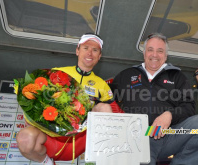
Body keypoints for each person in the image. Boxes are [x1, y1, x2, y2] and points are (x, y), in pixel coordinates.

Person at [110, 33, 198, 165]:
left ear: (166, 55)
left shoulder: (177, 76)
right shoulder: (127, 75)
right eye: (150, 50)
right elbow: (107, 98)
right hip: (139, 136)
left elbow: (189, 107)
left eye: (160, 51)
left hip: (170, 133)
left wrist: (169, 115)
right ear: (144, 52)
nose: (154, 55)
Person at [16, 33, 123, 164]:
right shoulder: (56, 73)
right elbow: (34, 101)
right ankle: (46, 162)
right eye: (86, 48)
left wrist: (139, 127)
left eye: (95, 50)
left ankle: (96, 159)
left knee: (104, 107)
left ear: (99, 56)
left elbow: (116, 114)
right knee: (24, 138)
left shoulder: (102, 85)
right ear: (77, 50)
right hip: (50, 139)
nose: (90, 53)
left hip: (81, 141)